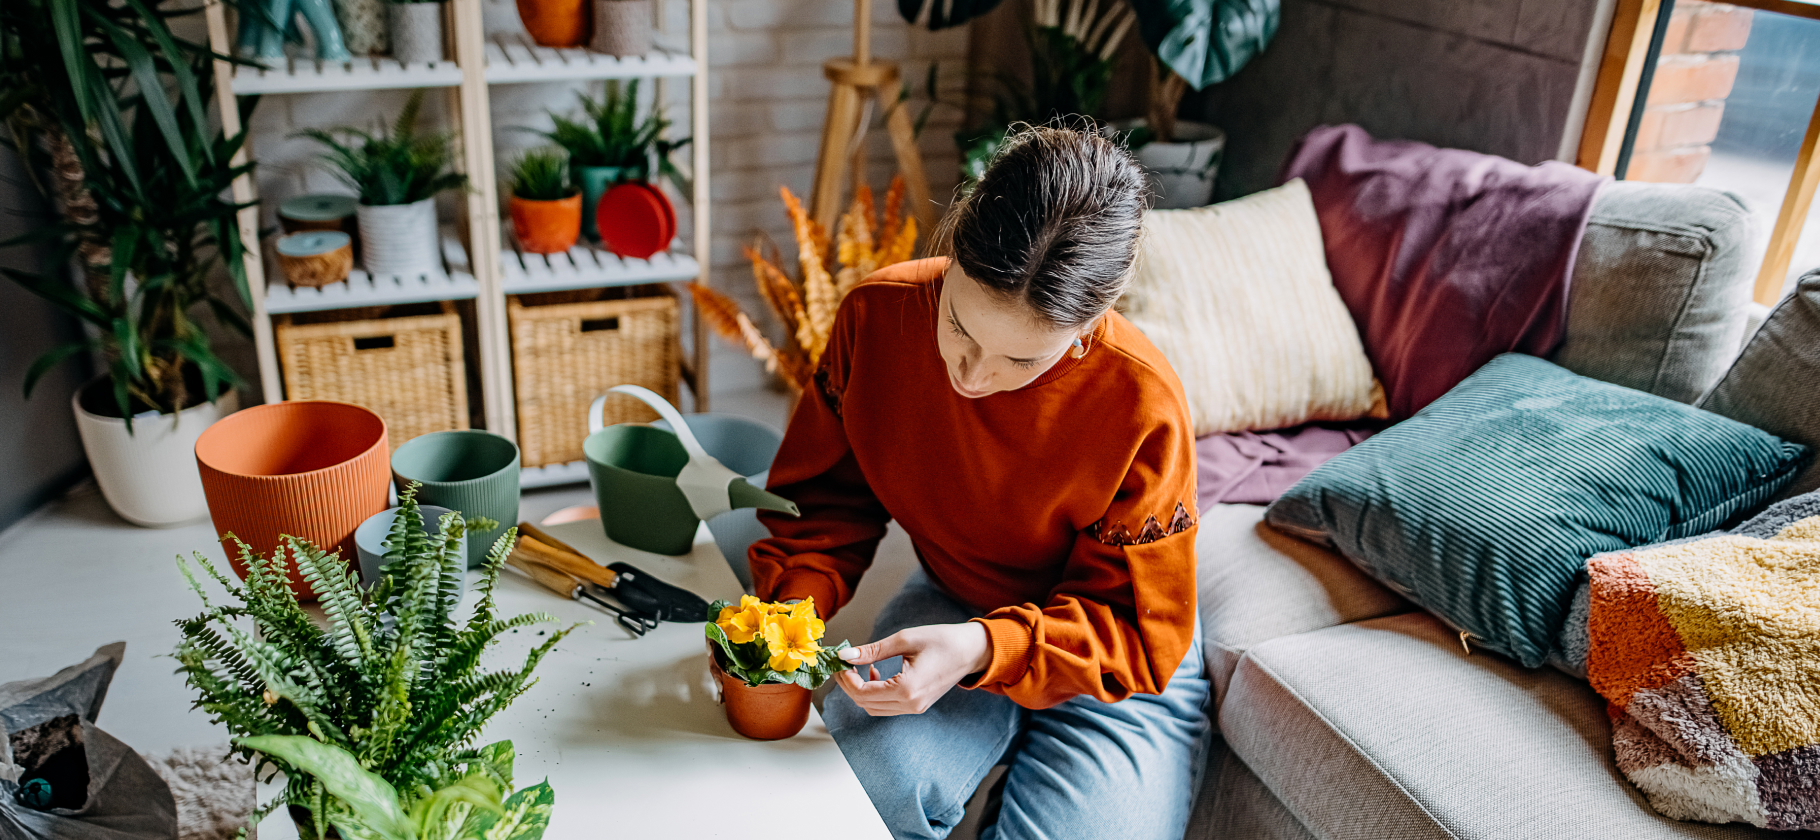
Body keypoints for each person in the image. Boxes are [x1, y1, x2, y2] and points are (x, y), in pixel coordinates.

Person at [749, 124, 1208, 840]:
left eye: (1021, 362)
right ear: (954, 239)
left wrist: (988, 651)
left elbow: (1137, 630)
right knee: (844, 806)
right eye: (959, 323)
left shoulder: (1143, 406)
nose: (969, 374)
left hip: (1107, 653)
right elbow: (823, 507)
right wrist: (781, 627)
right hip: (954, 600)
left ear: (1090, 324)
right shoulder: (876, 319)